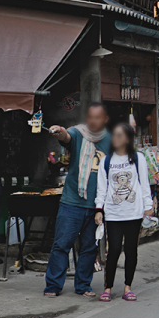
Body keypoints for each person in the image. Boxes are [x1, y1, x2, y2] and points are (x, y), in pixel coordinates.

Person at [44, 103, 111, 298]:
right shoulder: (79, 133)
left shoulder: (111, 140)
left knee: (90, 247)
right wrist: (58, 131)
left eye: (97, 117)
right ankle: (53, 285)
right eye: (90, 117)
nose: (92, 121)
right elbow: (66, 136)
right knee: (61, 244)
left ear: (105, 120)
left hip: (97, 205)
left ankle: (83, 285)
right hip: (72, 201)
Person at [94, 123, 152, 302]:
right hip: (113, 213)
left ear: (127, 139)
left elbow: (144, 183)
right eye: (114, 135)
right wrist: (99, 208)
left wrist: (148, 205)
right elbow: (102, 188)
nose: (116, 138)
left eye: (120, 135)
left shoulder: (138, 158)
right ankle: (108, 287)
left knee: (131, 250)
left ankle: (128, 287)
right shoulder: (106, 160)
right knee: (114, 250)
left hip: (134, 213)